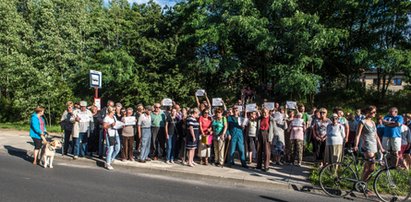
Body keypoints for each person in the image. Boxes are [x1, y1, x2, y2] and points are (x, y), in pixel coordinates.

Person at [354, 106, 385, 182]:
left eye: (375, 112)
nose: (375, 114)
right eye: (373, 112)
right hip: (367, 145)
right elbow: (358, 135)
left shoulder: (373, 122)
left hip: (374, 146)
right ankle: (362, 183)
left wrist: (381, 148)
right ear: (368, 112)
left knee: (366, 167)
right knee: (371, 168)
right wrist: (355, 145)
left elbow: (376, 136)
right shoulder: (362, 122)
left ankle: (361, 185)